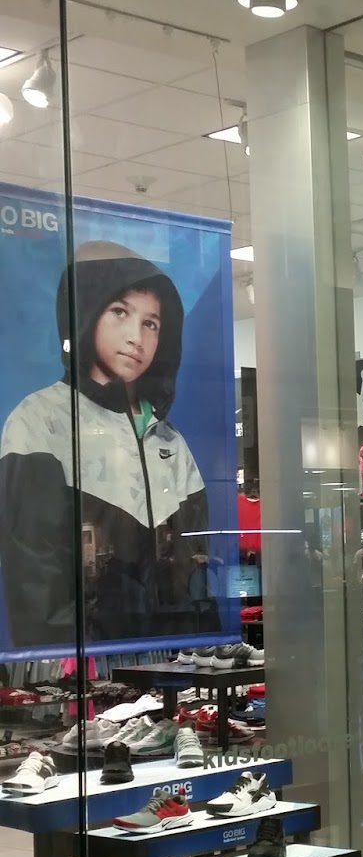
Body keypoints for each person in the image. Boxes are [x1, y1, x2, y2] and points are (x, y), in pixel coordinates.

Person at [0, 241, 219, 647]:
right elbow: (35, 579)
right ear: (88, 311)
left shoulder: (169, 439)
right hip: (87, 665)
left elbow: (194, 570)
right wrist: (71, 665)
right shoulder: (39, 422)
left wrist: (198, 653)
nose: (137, 337)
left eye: (151, 323)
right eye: (120, 312)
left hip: (168, 663)